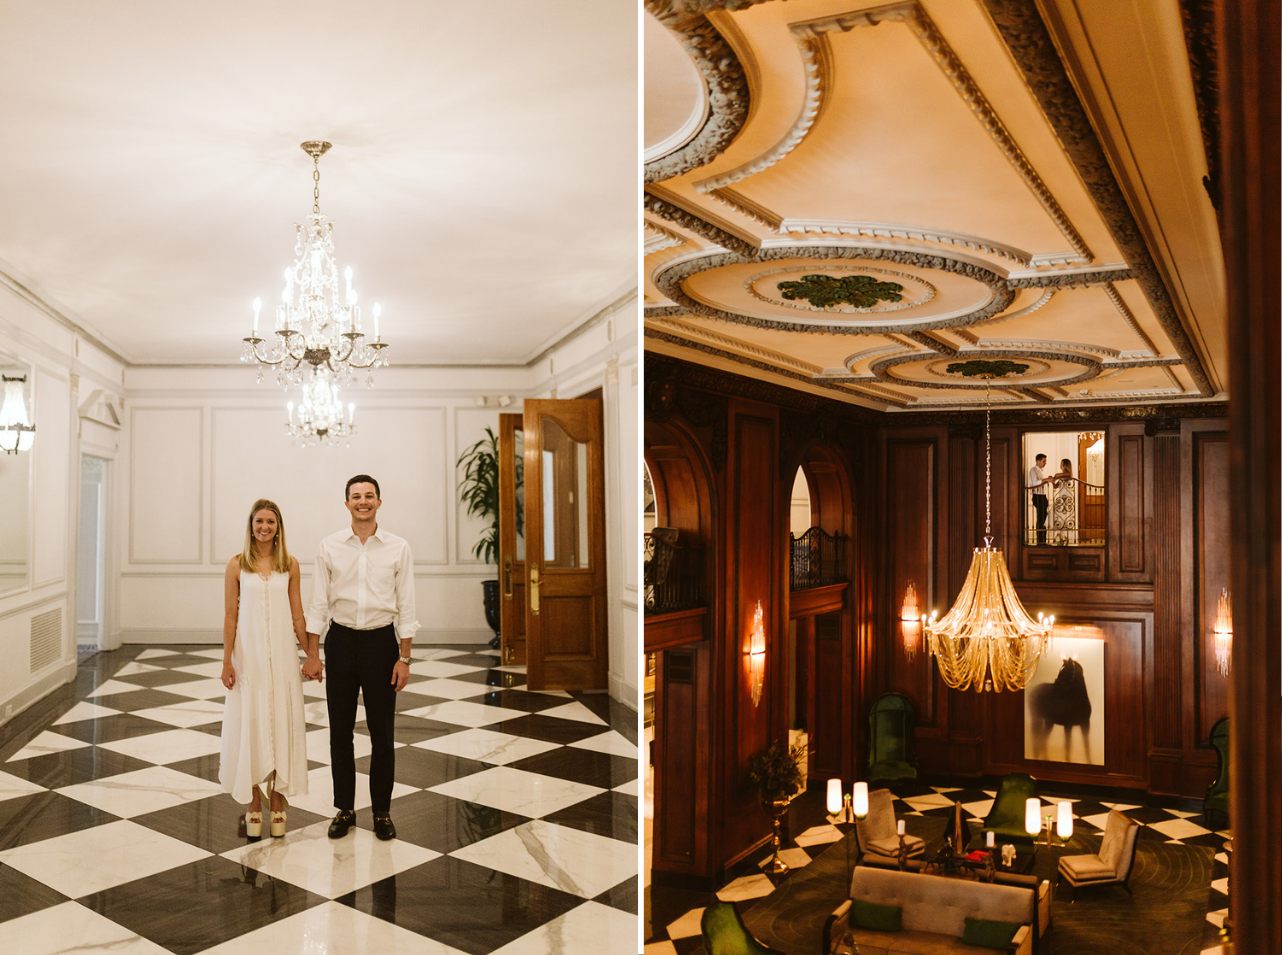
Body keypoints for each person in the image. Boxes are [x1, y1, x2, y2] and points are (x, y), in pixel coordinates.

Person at [305, 474, 417, 841]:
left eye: (369, 496)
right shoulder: (329, 547)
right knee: (340, 732)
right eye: (356, 496)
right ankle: (345, 809)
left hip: (382, 644)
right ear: (347, 503)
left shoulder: (398, 547)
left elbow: (406, 605)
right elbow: (319, 604)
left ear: (379, 502)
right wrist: (313, 654)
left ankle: (382, 812)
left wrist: (405, 658)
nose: (363, 501)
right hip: (341, 643)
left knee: (382, 733)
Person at [219, 499, 315, 838]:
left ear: (278, 527)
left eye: (270, 522)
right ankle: (252, 802)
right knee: (252, 723)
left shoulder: (290, 564)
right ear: (251, 525)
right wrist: (227, 659)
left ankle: (277, 799)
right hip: (249, 659)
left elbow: (298, 614)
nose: (264, 527)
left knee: (281, 723)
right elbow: (231, 615)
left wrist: (312, 654)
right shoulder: (236, 565)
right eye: (259, 521)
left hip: (284, 660)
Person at [1051, 458, 1077, 545]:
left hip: (1065, 500)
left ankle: (1064, 536)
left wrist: (1054, 477)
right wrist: (1052, 481)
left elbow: (1057, 475)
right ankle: (1059, 535)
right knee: (1055, 516)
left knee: (1064, 516)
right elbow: (1056, 486)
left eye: (1061, 464)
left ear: (1065, 465)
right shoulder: (1062, 475)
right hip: (1061, 499)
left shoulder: (1067, 474)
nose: (1060, 465)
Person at [1027, 453, 1051, 544]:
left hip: (1042, 496)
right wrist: (1046, 480)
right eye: (1044, 461)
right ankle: (1040, 540)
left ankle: (1043, 540)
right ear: (1038, 461)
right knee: (1041, 518)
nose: (1045, 463)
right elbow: (1035, 483)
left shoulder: (1040, 471)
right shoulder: (1033, 470)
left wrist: (1046, 479)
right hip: (1038, 496)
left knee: (1043, 518)